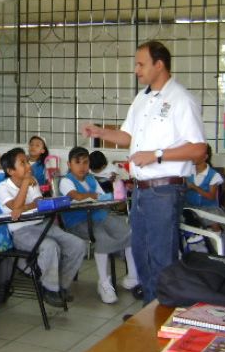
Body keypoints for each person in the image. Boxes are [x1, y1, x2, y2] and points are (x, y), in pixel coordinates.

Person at [82, 41, 206, 303]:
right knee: (141, 254)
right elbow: (127, 136)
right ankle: (150, 313)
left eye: (141, 64)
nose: (136, 70)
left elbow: (198, 150)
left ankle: (165, 316)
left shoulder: (181, 100)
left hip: (164, 190)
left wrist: (157, 155)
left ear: (159, 65)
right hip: (140, 190)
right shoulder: (142, 98)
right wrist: (101, 132)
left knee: (161, 257)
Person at [0, 147, 85, 308]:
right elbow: (15, 206)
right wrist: (24, 186)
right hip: (21, 231)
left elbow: (36, 204)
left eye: (27, 161)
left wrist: (23, 207)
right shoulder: (3, 187)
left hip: (42, 225)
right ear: (10, 170)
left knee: (77, 245)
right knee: (50, 246)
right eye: (22, 163)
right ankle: (49, 289)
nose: (28, 166)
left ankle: (61, 287)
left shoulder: (33, 181)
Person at [59, 147, 140, 304]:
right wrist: (95, 196)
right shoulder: (66, 181)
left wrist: (110, 196)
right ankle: (103, 283)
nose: (82, 166)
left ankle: (133, 277)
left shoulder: (91, 179)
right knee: (103, 237)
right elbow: (77, 196)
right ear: (69, 164)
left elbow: (102, 198)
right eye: (78, 162)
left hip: (99, 216)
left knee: (130, 231)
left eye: (85, 162)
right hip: (78, 222)